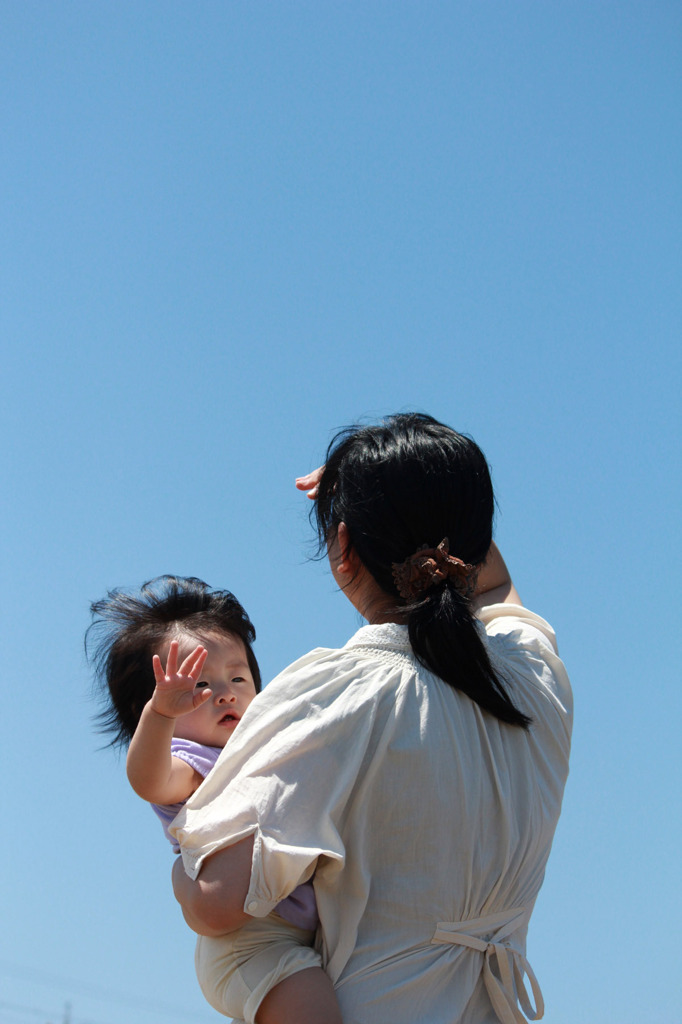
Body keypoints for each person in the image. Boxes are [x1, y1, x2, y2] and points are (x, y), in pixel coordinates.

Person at [170, 413, 573, 1024]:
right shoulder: (536, 678)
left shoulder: (340, 695)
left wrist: (180, 848)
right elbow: (494, 585)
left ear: (341, 550)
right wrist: (405, 490)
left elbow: (217, 902)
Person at [87, 576, 342, 1024]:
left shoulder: (266, 751)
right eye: (197, 687)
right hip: (250, 944)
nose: (225, 692)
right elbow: (150, 781)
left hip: (293, 933)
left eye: (239, 677)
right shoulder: (195, 762)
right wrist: (160, 714)